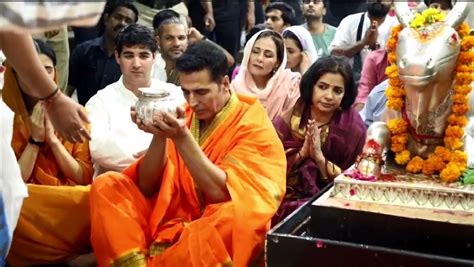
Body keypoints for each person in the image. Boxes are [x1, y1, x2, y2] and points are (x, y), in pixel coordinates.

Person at [89, 41, 286, 266]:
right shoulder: (185, 114)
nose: (192, 101)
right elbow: (146, 185)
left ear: (224, 84)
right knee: (107, 185)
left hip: (215, 222)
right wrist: (160, 135)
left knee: (234, 218)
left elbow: (222, 195)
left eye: (201, 92)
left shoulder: (253, 124)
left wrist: (182, 138)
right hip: (172, 216)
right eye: (186, 91)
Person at [4, 39, 94, 266]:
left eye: (47, 70)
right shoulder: (5, 116)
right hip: (28, 198)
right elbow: (13, 182)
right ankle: (68, 259)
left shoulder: (74, 114)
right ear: (16, 73)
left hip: (67, 196)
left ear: (55, 72)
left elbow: (82, 175)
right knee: (14, 203)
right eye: (32, 71)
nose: (39, 78)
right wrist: (35, 140)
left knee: (93, 196)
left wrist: (53, 141)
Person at [272, 56, 366, 223]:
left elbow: (355, 180)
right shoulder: (291, 117)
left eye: (337, 91)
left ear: (345, 95)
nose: (329, 96)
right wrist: (301, 154)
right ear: (311, 87)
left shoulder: (353, 128)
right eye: (322, 87)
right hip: (281, 192)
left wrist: (320, 159)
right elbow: (268, 164)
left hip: (333, 201)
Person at [87, 24, 183, 174]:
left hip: (168, 182)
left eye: (143, 56)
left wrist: (156, 155)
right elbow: (99, 149)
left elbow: (191, 140)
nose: (136, 64)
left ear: (155, 57)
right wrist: (156, 156)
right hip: (116, 186)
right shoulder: (100, 101)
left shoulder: (175, 95)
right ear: (118, 57)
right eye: (129, 55)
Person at [68, 0, 139, 105]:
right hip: (85, 115)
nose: (122, 23)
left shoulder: (135, 60)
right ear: (106, 19)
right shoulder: (83, 51)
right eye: (118, 17)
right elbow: (68, 89)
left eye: (128, 21)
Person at [231, 29, 301, 120]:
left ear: (277, 63)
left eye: (268, 55)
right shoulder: (234, 88)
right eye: (255, 51)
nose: (259, 58)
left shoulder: (291, 85)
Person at [330, 0, 396, 82]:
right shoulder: (350, 21)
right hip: (352, 85)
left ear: (392, 2)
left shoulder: (398, 26)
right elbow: (334, 54)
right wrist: (362, 43)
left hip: (387, 87)